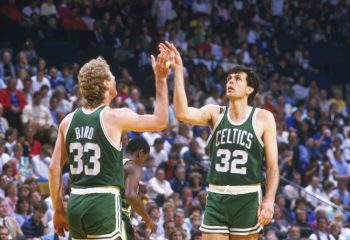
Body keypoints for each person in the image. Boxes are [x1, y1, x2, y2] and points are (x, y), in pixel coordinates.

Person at [160, 42, 279, 239]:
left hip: (247, 196)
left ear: (250, 89)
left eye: (237, 79)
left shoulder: (263, 118)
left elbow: (273, 166)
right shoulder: (215, 112)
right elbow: (181, 113)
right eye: (229, 79)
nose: (230, 82)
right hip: (216, 195)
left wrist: (268, 200)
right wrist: (178, 70)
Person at [49, 54, 170, 239]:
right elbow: (161, 121)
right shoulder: (114, 117)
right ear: (106, 84)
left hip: (75, 202)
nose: (115, 79)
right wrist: (161, 80)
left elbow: (54, 167)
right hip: (103, 201)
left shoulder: (67, 121)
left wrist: (58, 209)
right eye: (112, 76)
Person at [121, 138, 157, 240]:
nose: (143, 162)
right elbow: (130, 195)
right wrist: (148, 220)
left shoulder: (115, 164)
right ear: (140, 153)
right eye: (145, 158)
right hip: (118, 217)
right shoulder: (133, 166)